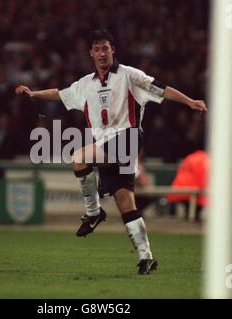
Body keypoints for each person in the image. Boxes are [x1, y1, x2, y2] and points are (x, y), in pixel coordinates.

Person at [15, 29, 207, 274]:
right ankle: (146, 258)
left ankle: (93, 213)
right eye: (97, 49)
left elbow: (161, 89)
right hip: (105, 145)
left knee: (78, 157)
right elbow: (59, 94)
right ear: (91, 53)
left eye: (106, 48)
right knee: (125, 201)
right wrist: (33, 94)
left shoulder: (129, 75)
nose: (102, 53)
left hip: (128, 138)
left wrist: (190, 101)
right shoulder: (85, 84)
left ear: (112, 50)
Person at [167, 150, 209, 222]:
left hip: (179, 188)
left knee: (191, 204)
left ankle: (190, 218)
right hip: (190, 190)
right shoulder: (203, 159)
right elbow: (201, 178)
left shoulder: (190, 157)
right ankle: (192, 219)